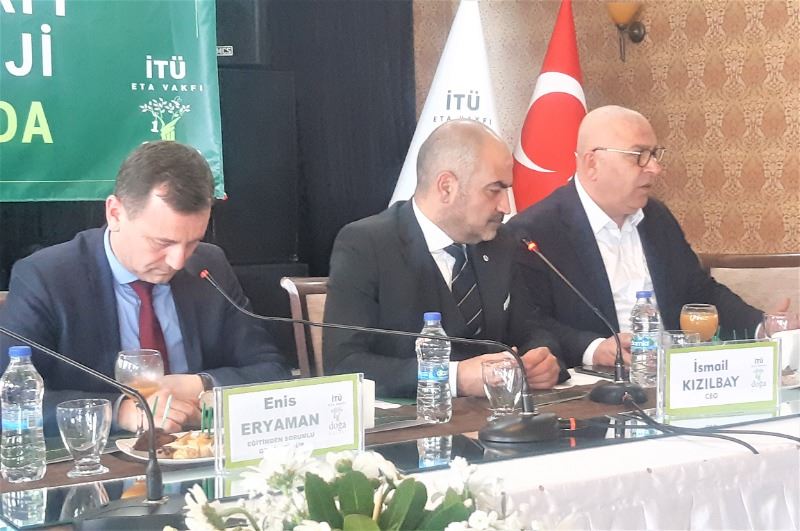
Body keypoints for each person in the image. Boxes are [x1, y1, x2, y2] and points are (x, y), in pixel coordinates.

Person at [0, 141, 290, 435]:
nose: (178, 261)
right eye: (162, 243)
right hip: (103, 455)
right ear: (115, 214)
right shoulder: (47, 277)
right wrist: (120, 412)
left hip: (197, 448)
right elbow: (10, 401)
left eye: (193, 242)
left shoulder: (209, 265)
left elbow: (272, 372)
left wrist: (200, 384)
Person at [508, 105, 770, 368]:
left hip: (673, 373)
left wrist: (763, 326)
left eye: (654, 154)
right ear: (592, 163)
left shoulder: (656, 217)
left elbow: (699, 293)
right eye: (639, 156)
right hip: (597, 381)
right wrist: (593, 348)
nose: (655, 168)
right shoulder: (535, 232)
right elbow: (530, 324)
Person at [323, 119, 568, 398]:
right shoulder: (367, 244)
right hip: (413, 419)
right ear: (446, 187)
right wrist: (453, 377)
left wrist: (542, 359)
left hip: (498, 416)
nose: (506, 206)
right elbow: (343, 365)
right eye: (494, 190)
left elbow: (532, 328)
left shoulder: (501, 243)